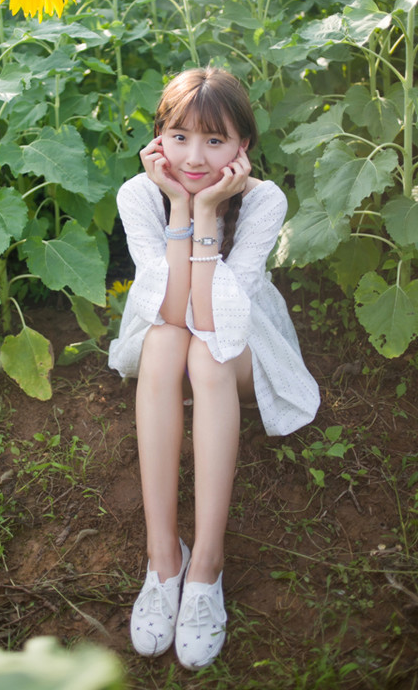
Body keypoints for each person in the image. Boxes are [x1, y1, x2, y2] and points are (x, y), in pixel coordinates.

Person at [108, 67, 320, 670]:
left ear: (243, 148)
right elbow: (172, 311)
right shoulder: (140, 193)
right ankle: (162, 558)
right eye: (179, 137)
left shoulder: (262, 200)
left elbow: (213, 318)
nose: (194, 157)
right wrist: (180, 203)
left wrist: (206, 212)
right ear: (158, 140)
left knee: (205, 349)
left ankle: (207, 564)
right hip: (172, 340)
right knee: (167, 342)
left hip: (245, 351)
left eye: (214, 140)